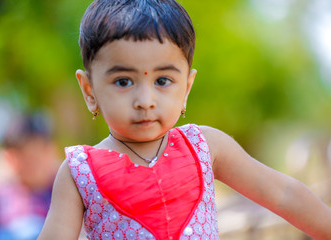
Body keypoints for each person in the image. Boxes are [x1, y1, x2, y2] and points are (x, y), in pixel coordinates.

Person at [38, 0, 331, 239]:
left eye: (163, 80)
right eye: (124, 82)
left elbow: (283, 194)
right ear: (90, 90)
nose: (145, 100)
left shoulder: (204, 146)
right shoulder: (80, 173)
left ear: (186, 88)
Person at [0, 113, 59, 240]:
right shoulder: (3, 193)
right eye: (22, 156)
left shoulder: (63, 188)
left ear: (49, 150)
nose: (30, 164)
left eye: (35, 155)